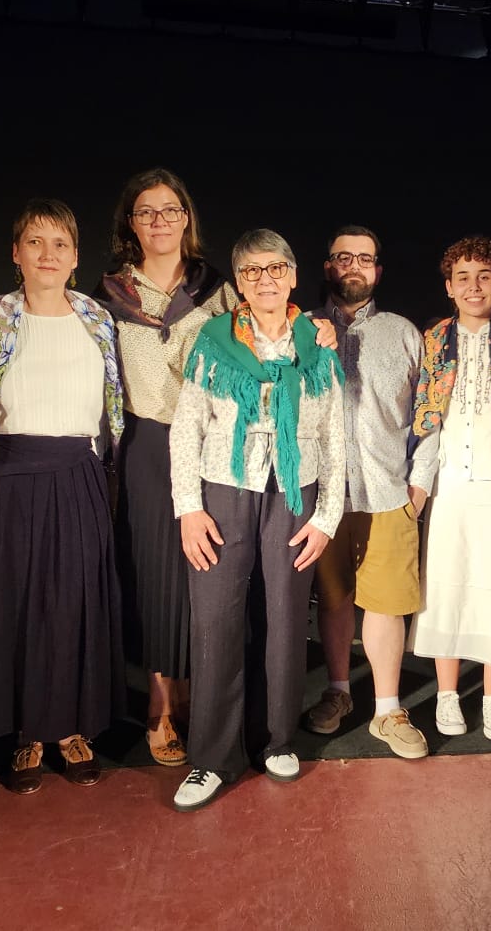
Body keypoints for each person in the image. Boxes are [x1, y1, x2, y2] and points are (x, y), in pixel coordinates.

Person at [169, 229, 347, 811]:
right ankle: (212, 758)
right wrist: (188, 507)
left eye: (275, 269)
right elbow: (187, 425)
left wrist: (327, 517)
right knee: (216, 619)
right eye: (251, 271)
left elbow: (334, 433)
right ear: (240, 283)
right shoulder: (214, 340)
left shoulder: (317, 343)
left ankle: (277, 740)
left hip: (295, 489)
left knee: (287, 616)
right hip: (225, 486)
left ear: (292, 276)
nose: (265, 280)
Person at [0, 199, 126, 795]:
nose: (47, 254)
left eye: (60, 244)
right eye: (35, 241)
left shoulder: (97, 319)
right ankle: (26, 732)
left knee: (75, 601)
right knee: (18, 603)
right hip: (7, 479)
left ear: (76, 258)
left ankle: (72, 729)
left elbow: (111, 410)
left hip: (78, 474)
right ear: (16, 253)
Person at [93, 168, 235, 766]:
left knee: (206, 569)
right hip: (147, 446)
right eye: (146, 211)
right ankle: (161, 704)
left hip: (211, 444)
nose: (159, 221)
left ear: (186, 218)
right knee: (155, 574)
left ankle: (204, 691)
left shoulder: (218, 291)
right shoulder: (106, 299)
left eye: (170, 209)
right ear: (131, 223)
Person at [301, 225, 430, 759]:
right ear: (328, 266)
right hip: (322, 495)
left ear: (378, 270)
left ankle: (387, 709)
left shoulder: (403, 333)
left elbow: (428, 414)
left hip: (386, 490)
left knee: (386, 604)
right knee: (333, 600)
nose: (354, 266)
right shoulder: (301, 329)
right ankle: (338, 691)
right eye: (343, 257)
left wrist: (419, 483)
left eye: (365, 258)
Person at [409, 235, 491, 742]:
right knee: (447, 585)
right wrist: (420, 482)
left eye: (483, 276)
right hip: (451, 484)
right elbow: (427, 414)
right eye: (462, 277)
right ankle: (447, 694)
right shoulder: (435, 338)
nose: (473, 286)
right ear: (448, 287)